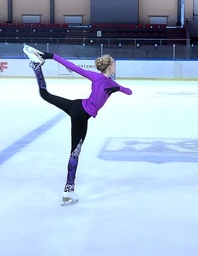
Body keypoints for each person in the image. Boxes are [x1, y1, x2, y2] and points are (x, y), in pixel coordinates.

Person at [23, 45, 132, 206]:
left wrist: (51, 55)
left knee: (45, 94)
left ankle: (36, 67)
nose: (115, 66)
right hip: (81, 116)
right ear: (110, 67)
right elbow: (129, 91)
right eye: (114, 63)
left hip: (75, 106)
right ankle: (68, 190)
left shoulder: (95, 77)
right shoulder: (110, 83)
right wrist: (117, 87)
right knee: (75, 153)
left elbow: (72, 67)